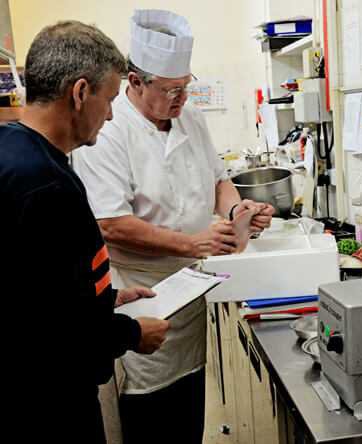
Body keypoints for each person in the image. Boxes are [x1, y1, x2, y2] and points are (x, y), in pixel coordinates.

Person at [74, 9, 274, 444]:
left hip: (193, 289)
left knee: (190, 406)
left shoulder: (191, 117)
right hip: (144, 292)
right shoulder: (108, 131)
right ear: (136, 80)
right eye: (169, 90)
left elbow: (219, 179)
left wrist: (240, 212)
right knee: (152, 414)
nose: (180, 98)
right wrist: (191, 242)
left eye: (185, 87)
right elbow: (111, 224)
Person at [0, 21, 170, 443]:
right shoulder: (46, 184)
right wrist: (132, 333)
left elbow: (33, 286)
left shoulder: (12, 150)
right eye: (109, 98)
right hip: (48, 402)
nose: (111, 114)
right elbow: (55, 328)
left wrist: (106, 297)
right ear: (79, 93)